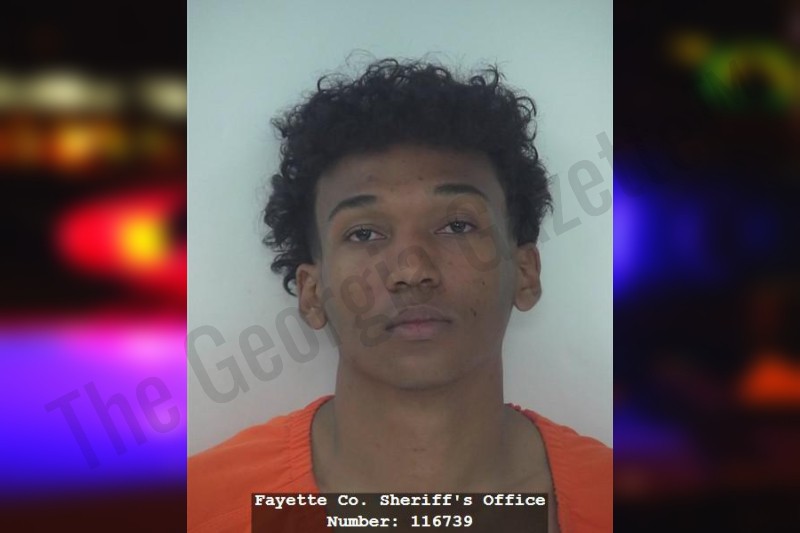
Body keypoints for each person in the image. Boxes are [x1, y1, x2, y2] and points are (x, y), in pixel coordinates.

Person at [188, 58, 611, 533]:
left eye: (457, 226)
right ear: (311, 293)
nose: (412, 271)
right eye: (364, 234)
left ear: (525, 273)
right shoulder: (196, 509)